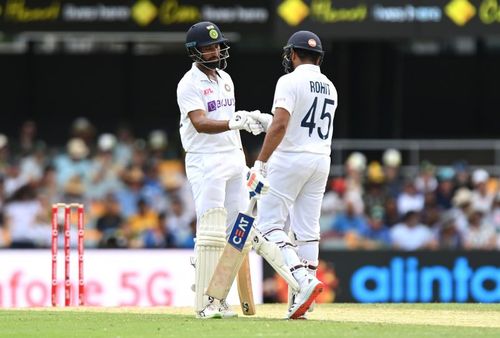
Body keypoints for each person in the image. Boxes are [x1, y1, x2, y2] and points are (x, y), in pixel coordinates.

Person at [247, 30, 338, 319]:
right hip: (321, 159)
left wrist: (260, 161)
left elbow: (281, 125)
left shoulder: (288, 80)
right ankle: (305, 302)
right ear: (319, 57)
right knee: (307, 230)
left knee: (269, 225)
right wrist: (268, 121)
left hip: (290, 159)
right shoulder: (330, 86)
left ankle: (302, 280)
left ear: (294, 55)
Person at [176, 21, 263, 319]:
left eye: (217, 45)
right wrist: (233, 122)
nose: (215, 50)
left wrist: (244, 154)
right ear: (194, 51)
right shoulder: (188, 84)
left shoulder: (226, 78)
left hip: (232, 159)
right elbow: (200, 122)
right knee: (210, 230)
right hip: (205, 160)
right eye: (208, 47)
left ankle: (220, 299)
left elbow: (230, 124)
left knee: (238, 230)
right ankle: (203, 303)